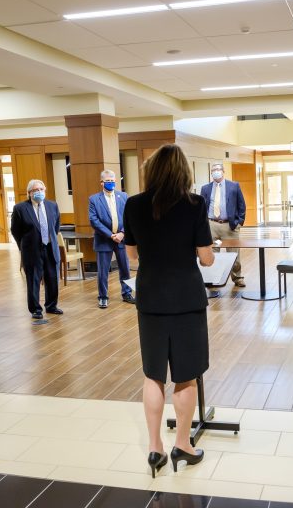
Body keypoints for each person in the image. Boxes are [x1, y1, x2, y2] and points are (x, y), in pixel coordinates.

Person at [123, 144, 214, 476]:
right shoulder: (194, 204)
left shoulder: (133, 204)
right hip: (187, 299)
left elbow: (132, 256)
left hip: (150, 297)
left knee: (153, 375)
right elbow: (206, 258)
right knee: (186, 377)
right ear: (183, 171)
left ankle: (154, 448)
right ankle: (183, 445)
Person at [10, 179, 62, 320]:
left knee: (52, 278)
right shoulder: (20, 208)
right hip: (31, 250)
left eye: (41, 189)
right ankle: (35, 309)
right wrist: (24, 245)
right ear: (29, 193)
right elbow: (15, 230)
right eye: (35, 190)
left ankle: (51, 305)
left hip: (50, 247)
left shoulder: (52, 205)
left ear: (45, 190)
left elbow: (56, 226)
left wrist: (49, 238)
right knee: (33, 279)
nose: (38, 192)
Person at [88, 170, 134, 309]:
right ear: (102, 182)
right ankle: (103, 297)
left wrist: (122, 233)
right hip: (104, 239)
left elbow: (129, 216)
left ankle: (126, 293)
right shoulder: (94, 199)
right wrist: (111, 235)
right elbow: (93, 220)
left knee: (125, 268)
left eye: (112, 180)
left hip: (121, 238)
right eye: (108, 181)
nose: (111, 183)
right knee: (103, 271)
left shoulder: (123, 196)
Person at [200, 163, 246, 287]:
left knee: (234, 253)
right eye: (213, 170)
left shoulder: (234, 186)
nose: (216, 171)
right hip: (211, 225)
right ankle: (213, 278)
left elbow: (242, 205)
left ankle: (238, 278)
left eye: (218, 169)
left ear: (223, 171)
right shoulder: (205, 188)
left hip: (229, 225)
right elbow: (202, 207)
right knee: (212, 253)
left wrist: (239, 222)